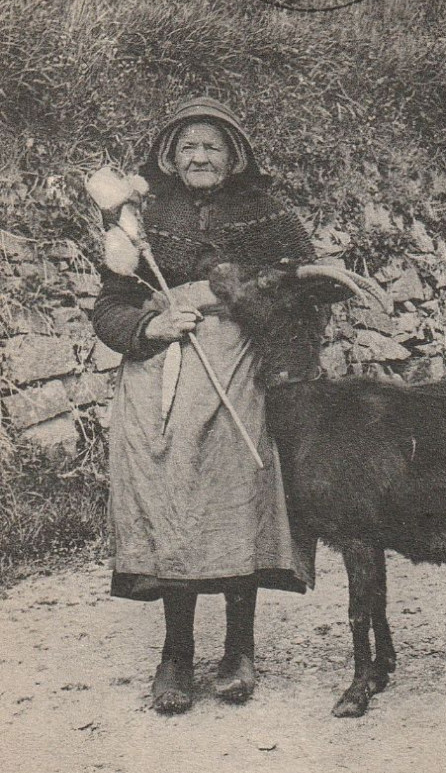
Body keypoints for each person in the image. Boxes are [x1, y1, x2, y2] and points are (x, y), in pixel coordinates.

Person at [93, 97, 319, 715]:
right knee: (173, 501)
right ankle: (176, 655)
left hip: (241, 366)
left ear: (234, 155)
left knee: (236, 497)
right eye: (188, 146)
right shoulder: (141, 218)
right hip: (161, 372)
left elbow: (305, 295)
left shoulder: (266, 214)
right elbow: (109, 309)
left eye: (212, 146)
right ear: (170, 154)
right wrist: (153, 325)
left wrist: (245, 304)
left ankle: (239, 649)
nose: (200, 156)